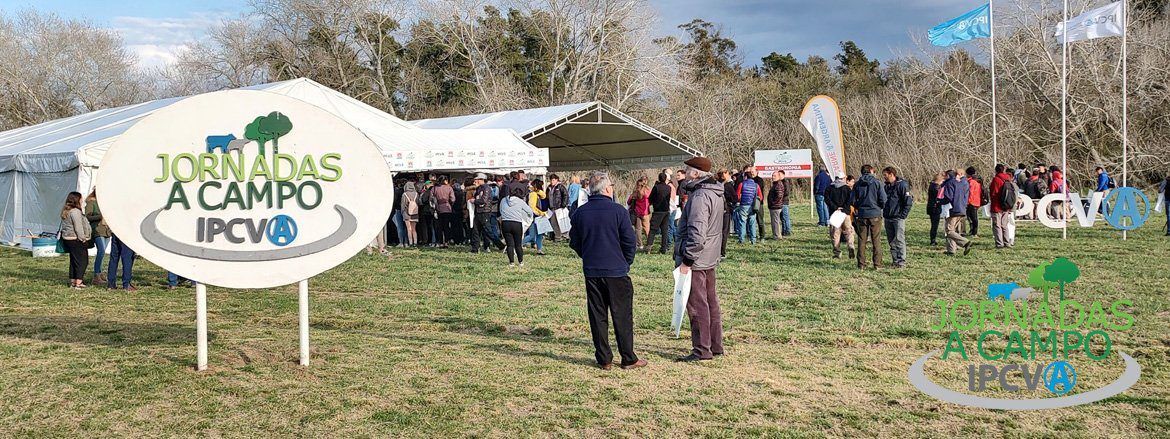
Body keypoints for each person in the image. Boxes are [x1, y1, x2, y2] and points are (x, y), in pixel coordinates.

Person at [569, 171, 646, 370]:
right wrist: (625, 262)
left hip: (593, 271)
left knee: (597, 315)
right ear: (606, 189)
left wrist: (588, 255)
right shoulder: (618, 211)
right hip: (616, 271)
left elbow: (574, 241)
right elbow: (629, 241)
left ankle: (604, 359)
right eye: (611, 185)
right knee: (622, 315)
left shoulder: (580, 213)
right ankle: (628, 357)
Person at [674, 157, 725, 362]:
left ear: (696, 174)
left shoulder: (700, 196)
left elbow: (697, 232)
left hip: (697, 259)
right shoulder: (715, 192)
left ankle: (702, 349)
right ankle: (715, 345)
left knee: (697, 305)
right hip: (709, 256)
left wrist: (687, 260)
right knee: (711, 302)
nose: (685, 173)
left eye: (687, 170)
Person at [851, 165, 886, 270]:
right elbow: (883, 199)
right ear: (871, 171)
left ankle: (861, 264)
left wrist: (859, 206)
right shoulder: (877, 183)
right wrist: (878, 207)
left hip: (862, 214)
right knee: (876, 240)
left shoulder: (857, 184)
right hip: (875, 214)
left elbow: (852, 200)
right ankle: (877, 264)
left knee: (862, 240)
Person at [882, 167, 912, 269]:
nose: (884, 177)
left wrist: (902, 215)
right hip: (888, 217)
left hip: (898, 217)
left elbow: (908, 202)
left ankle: (901, 261)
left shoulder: (902, 185)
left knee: (899, 239)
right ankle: (895, 260)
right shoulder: (886, 187)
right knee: (891, 240)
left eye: (885, 175)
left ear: (891, 174)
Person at [59, 191, 91, 289]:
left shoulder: (66, 210)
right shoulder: (75, 212)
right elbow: (78, 227)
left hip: (68, 239)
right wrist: (83, 239)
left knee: (74, 261)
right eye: (81, 198)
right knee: (82, 261)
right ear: (77, 200)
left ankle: (73, 281)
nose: (82, 200)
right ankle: (78, 282)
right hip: (76, 239)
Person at [940, 170, 974, 255]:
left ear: (948, 175)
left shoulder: (950, 183)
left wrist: (939, 202)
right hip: (962, 208)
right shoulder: (962, 183)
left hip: (953, 209)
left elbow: (949, 197)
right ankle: (951, 250)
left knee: (949, 231)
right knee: (953, 230)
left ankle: (965, 242)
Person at [500, 186, 534, 267]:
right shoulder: (520, 201)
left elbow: (501, 210)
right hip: (516, 223)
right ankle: (520, 262)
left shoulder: (503, 200)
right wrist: (528, 217)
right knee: (518, 244)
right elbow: (529, 211)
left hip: (505, 223)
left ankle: (511, 262)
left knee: (509, 244)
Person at [471, 174, 505, 253]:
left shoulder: (486, 188)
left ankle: (501, 245)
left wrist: (474, 201)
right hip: (478, 211)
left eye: (476, 180)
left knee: (488, 231)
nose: (474, 182)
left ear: (481, 180)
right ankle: (475, 249)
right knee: (475, 230)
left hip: (485, 212)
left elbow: (484, 200)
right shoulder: (478, 188)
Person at [825, 174, 855, 259]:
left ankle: (837, 252)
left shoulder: (829, 188)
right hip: (845, 213)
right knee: (849, 231)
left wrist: (835, 207)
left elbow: (827, 200)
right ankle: (850, 245)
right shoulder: (847, 188)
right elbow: (850, 200)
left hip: (834, 213)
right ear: (843, 178)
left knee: (835, 233)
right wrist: (844, 208)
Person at [84, 189, 110, 285]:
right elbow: (88, 217)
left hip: (107, 231)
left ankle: (100, 273)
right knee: (101, 251)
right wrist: (100, 216)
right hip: (98, 230)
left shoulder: (105, 203)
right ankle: (96, 274)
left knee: (102, 253)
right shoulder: (92, 203)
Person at [989, 164, 1017, 248]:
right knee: (1004, 225)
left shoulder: (996, 179)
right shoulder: (1008, 178)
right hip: (1006, 205)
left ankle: (999, 243)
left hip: (997, 206)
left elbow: (993, 193)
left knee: (997, 225)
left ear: (996, 170)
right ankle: (1007, 242)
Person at [644, 173, 673, 254]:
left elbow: (650, 198)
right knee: (664, 231)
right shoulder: (668, 187)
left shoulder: (656, 187)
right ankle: (663, 248)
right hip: (666, 211)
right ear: (666, 178)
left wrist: (653, 203)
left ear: (659, 178)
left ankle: (649, 247)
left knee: (653, 230)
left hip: (657, 211)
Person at [734, 167, 762, 244]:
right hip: (753, 206)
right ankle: (753, 240)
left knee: (742, 223)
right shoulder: (756, 185)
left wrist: (740, 200)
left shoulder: (742, 184)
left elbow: (737, 196)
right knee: (752, 223)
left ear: (745, 177)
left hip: (743, 205)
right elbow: (760, 197)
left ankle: (742, 239)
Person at [524, 179, 548, 255]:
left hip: (538, 216)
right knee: (532, 235)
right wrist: (540, 213)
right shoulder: (533, 194)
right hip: (534, 216)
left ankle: (539, 250)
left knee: (539, 234)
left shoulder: (536, 193)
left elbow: (543, 195)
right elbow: (532, 207)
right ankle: (516, 245)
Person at [767, 170, 792, 238]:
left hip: (778, 205)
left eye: (775, 176)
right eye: (772, 175)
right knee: (778, 220)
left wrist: (774, 203)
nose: (773, 177)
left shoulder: (780, 184)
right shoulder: (776, 184)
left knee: (781, 219)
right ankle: (780, 233)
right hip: (777, 205)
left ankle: (781, 234)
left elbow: (780, 195)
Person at [433, 176, 456, 248]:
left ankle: (440, 242)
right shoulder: (449, 188)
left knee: (439, 226)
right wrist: (450, 204)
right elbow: (453, 199)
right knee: (446, 226)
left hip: (438, 208)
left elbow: (431, 199)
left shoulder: (434, 188)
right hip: (447, 207)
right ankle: (446, 241)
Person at [547, 174, 569, 241]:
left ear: (556, 180)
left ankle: (566, 236)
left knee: (562, 222)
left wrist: (563, 204)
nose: (552, 181)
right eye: (551, 180)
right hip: (551, 208)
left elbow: (565, 195)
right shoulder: (549, 188)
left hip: (559, 207)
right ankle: (557, 236)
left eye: (553, 180)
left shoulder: (560, 187)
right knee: (553, 223)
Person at [719, 169, 735, 258]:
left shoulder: (716, 184)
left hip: (716, 210)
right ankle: (722, 252)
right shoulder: (728, 186)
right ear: (725, 174)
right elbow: (735, 198)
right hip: (726, 210)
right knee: (724, 232)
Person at [926, 172, 945, 246]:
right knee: (934, 225)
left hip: (931, 207)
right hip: (934, 207)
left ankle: (933, 239)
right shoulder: (936, 187)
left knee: (934, 224)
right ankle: (933, 240)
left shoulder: (932, 185)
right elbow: (939, 196)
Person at [965, 167, 985, 237]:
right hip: (977, 201)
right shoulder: (978, 181)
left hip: (971, 201)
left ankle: (974, 232)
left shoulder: (971, 182)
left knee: (972, 218)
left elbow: (970, 193)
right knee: (973, 218)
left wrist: (967, 202)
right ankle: (973, 232)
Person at [417, 180, 436, 246]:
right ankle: (436, 241)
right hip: (436, 210)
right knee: (436, 226)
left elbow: (423, 201)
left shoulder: (427, 192)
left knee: (429, 227)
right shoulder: (436, 190)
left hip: (427, 211)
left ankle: (429, 241)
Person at [401, 182, 420, 246]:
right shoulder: (416, 194)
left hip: (406, 213)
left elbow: (403, 205)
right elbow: (418, 202)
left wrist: (402, 212)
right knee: (414, 229)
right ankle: (415, 242)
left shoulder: (404, 194)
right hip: (415, 213)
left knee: (409, 229)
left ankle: (410, 242)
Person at [392, 179, 408, 247]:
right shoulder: (406, 192)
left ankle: (401, 242)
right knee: (406, 227)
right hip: (406, 210)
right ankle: (406, 242)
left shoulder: (397, 191)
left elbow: (394, 201)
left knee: (400, 227)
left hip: (398, 210)